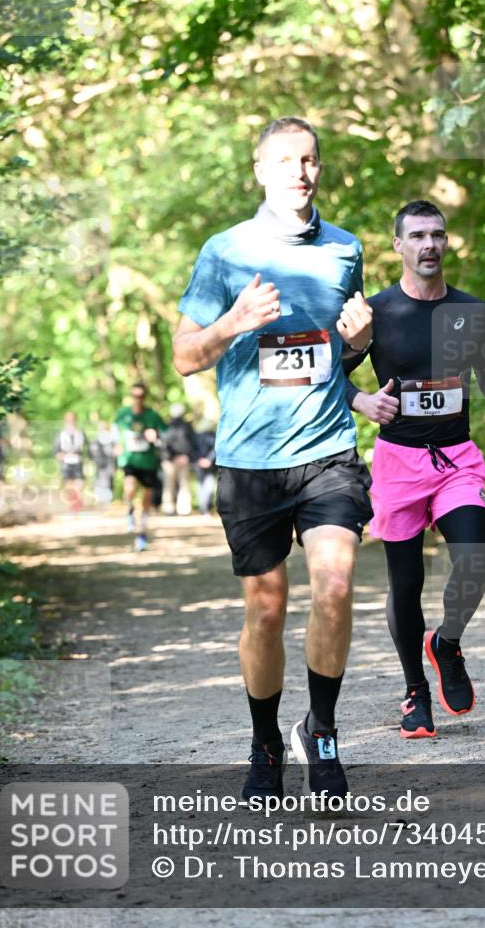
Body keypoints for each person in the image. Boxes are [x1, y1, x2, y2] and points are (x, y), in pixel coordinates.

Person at [173, 117, 373, 802]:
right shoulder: (225, 252)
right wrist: (233, 322)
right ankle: (264, 743)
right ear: (259, 170)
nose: (300, 171)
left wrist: (360, 339)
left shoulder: (345, 249)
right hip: (250, 462)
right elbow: (184, 357)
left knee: (336, 587)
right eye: (286, 160)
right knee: (264, 610)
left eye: (310, 159)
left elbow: (338, 354)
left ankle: (320, 731)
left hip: (327, 453)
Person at [344, 200, 485, 740]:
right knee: (406, 582)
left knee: (474, 563)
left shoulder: (472, 311)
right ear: (398, 245)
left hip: (457, 460)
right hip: (399, 463)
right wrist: (361, 402)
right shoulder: (376, 313)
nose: (430, 244)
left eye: (438, 235)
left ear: (447, 243)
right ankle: (414, 692)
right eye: (418, 235)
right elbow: (333, 375)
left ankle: (446, 644)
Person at [113, 383, 166, 552]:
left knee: (146, 498)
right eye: (135, 395)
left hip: (148, 462)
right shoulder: (123, 414)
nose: (138, 399)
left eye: (141, 395)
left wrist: (156, 436)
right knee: (129, 485)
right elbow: (114, 432)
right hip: (129, 460)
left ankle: (142, 532)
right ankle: (129, 508)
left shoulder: (152, 416)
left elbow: (166, 436)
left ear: (145, 396)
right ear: (131, 396)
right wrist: (116, 445)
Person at [161, 403, 198, 516]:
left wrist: (185, 456)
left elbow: (192, 442)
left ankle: (179, 509)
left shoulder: (180, 426)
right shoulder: (172, 426)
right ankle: (172, 508)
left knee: (180, 484)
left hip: (179, 459)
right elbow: (165, 443)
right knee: (174, 484)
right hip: (171, 460)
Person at [53, 413, 86, 513]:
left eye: (73, 419)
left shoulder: (80, 433)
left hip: (78, 462)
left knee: (79, 484)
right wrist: (59, 455)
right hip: (66, 463)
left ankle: (76, 505)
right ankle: (72, 506)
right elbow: (55, 450)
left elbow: (87, 447)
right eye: (69, 420)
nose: (71, 422)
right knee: (69, 486)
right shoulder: (60, 434)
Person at [89, 421, 117, 506]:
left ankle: (107, 503)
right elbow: (91, 454)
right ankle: (99, 502)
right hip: (99, 466)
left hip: (109, 466)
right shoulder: (95, 442)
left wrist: (115, 465)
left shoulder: (112, 442)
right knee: (98, 483)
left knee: (108, 484)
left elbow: (115, 454)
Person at [193, 421, 217, 515]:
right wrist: (204, 460)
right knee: (203, 486)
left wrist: (208, 460)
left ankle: (204, 508)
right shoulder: (199, 436)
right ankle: (203, 508)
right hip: (202, 465)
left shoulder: (198, 436)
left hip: (207, 465)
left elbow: (215, 449)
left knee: (206, 486)